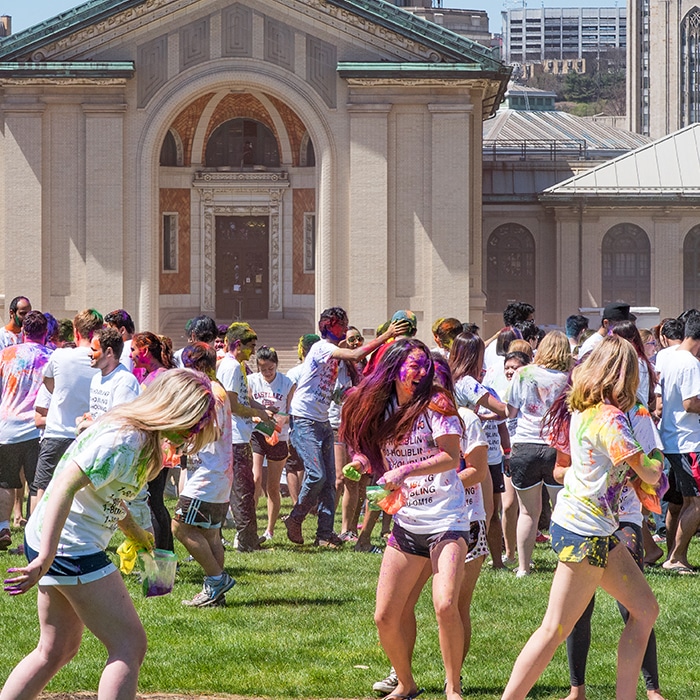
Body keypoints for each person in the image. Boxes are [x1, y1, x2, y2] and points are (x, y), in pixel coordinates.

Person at [0, 370, 219, 700]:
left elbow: (109, 495)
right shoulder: (125, 441)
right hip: (69, 549)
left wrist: (134, 534)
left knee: (55, 650)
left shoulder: (142, 441)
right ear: (172, 410)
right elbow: (63, 486)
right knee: (128, 644)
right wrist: (45, 557)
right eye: (190, 426)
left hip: (59, 543)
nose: (189, 437)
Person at [502, 336, 663, 700]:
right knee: (554, 628)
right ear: (624, 375)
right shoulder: (610, 418)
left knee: (645, 609)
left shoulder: (585, 409)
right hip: (585, 532)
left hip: (593, 527)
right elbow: (649, 473)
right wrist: (658, 464)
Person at [341, 339, 467, 700]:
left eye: (426, 366)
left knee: (445, 605)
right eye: (415, 366)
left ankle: (453, 688)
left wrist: (406, 470)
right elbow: (372, 450)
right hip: (407, 523)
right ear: (395, 368)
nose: (422, 373)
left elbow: (450, 457)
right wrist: (362, 463)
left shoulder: (437, 403)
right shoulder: (381, 406)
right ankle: (406, 683)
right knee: (385, 616)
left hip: (447, 518)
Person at [284, 308, 407, 548]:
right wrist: (387, 334)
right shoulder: (322, 348)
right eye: (342, 324)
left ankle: (324, 534)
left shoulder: (333, 356)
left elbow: (339, 389)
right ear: (329, 326)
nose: (344, 328)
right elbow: (357, 354)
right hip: (304, 419)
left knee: (330, 481)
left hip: (321, 421)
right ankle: (295, 517)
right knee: (317, 475)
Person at [505, 330, 571, 577]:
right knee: (561, 509)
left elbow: (510, 412)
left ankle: (523, 567)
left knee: (527, 512)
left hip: (525, 445)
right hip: (557, 448)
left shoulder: (524, 373)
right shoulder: (569, 378)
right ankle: (565, 564)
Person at [174, 343, 236, 607]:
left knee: (180, 526)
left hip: (209, 473)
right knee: (210, 533)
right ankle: (215, 594)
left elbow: (203, 429)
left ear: (198, 365)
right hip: (220, 471)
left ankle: (217, 579)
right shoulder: (217, 388)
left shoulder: (209, 392)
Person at [32, 309, 103, 510]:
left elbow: (47, 381)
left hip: (56, 433)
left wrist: (63, 393)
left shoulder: (60, 355)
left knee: (43, 489)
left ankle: (34, 539)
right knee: (84, 493)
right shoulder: (103, 360)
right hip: (87, 435)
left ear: (75, 331)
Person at [216, 322, 271, 552]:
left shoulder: (236, 366)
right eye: (250, 347)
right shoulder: (231, 367)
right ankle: (247, 541)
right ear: (237, 345)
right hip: (235, 438)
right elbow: (233, 405)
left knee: (244, 488)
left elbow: (244, 399)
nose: (252, 352)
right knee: (243, 490)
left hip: (240, 435)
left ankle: (249, 536)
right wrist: (257, 413)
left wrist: (262, 409)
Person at [0, 312, 51, 549]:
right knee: (36, 485)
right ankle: (32, 534)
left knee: (5, 483)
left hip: (6, 428)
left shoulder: (5, 355)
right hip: (36, 429)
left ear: (23, 332)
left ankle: (2, 528)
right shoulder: (51, 357)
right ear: (45, 334)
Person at [656, 311, 700, 573]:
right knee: (696, 503)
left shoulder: (670, 359)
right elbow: (691, 402)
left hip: (672, 440)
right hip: (689, 443)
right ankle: (676, 558)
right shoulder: (691, 364)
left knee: (677, 502)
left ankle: (672, 552)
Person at [130, 331, 177, 550]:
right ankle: (167, 551)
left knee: (154, 501)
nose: (130, 355)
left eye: (133, 350)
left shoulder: (160, 377)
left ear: (145, 351)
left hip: (160, 445)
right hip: (156, 444)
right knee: (155, 500)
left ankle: (161, 552)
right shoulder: (152, 375)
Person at [247, 345, 294, 543]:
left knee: (272, 486)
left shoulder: (287, 383)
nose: (267, 373)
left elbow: (291, 411)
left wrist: (281, 419)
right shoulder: (251, 381)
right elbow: (248, 404)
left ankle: (270, 529)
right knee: (255, 479)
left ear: (276, 366)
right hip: (257, 433)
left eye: (271, 369)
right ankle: (250, 525)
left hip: (278, 436)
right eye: (263, 369)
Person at [284, 334, 320, 504]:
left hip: (297, 422)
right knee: (309, 465)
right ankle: (306, 502)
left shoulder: (294, 372)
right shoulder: (322, 369)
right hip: (317, 420)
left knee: (293, 465)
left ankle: (296, 502)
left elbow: (288, 399)